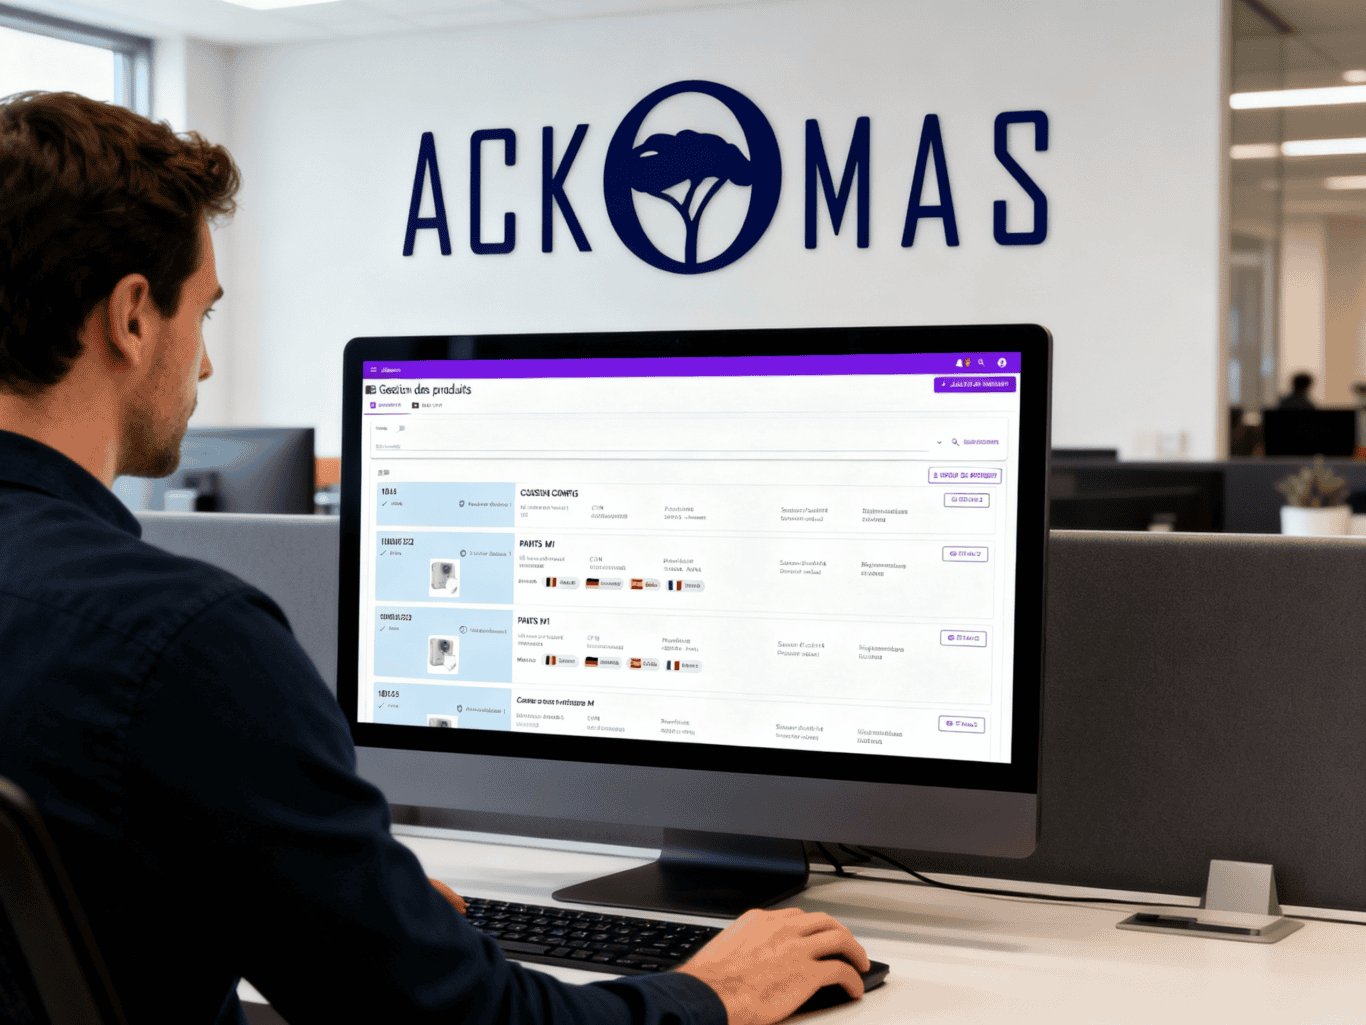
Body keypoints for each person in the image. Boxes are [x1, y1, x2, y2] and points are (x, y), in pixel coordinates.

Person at [0, 92, 869, 1025]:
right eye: (203, 315)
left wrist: (350, 914)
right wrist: (712, 988)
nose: (205, 368)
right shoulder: (185, 644)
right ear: (134, 316)